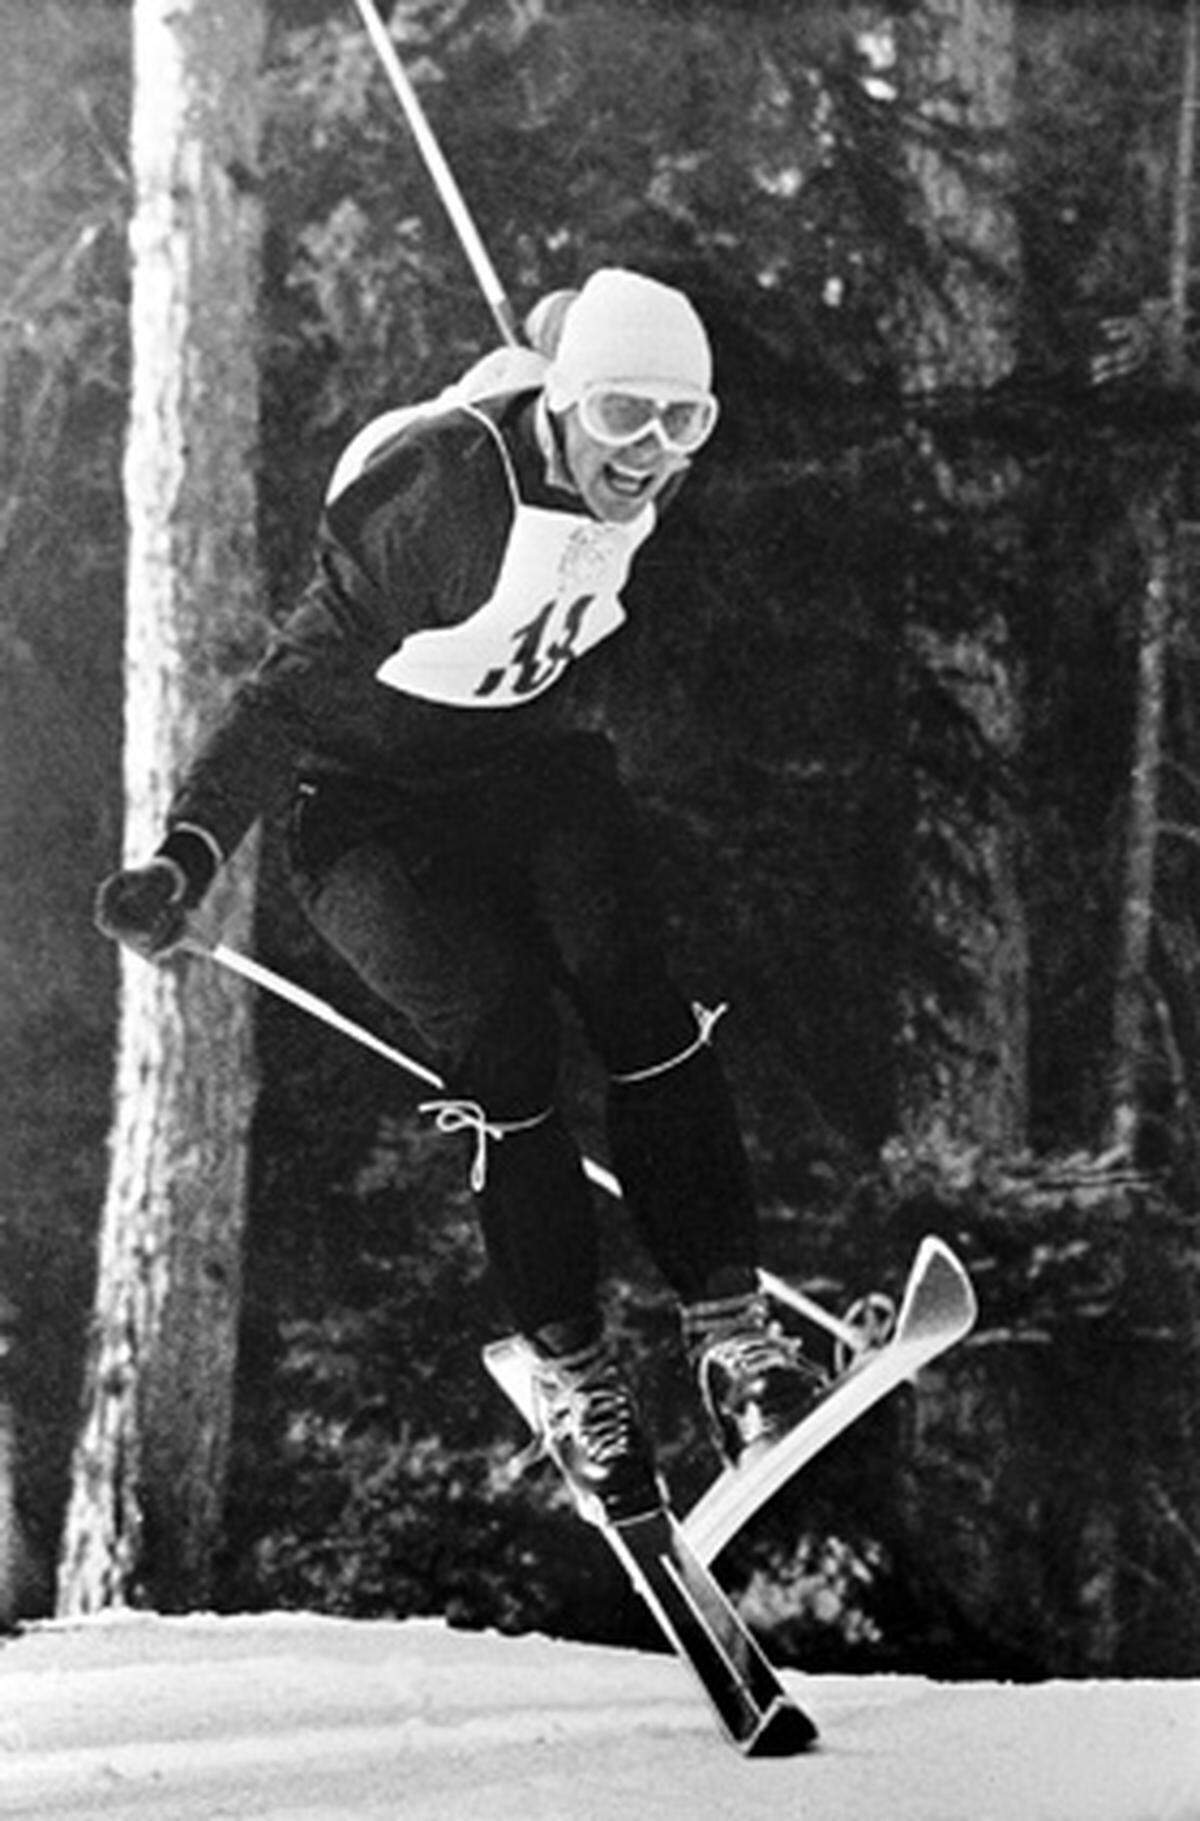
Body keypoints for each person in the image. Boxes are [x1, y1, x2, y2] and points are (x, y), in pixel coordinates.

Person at [95, 266, 824, 1523]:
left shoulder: (603, 420)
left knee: (643, 1003)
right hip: (368, 813)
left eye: (683, 424)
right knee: (503, 1040)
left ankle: (733, 1338)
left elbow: (563, 327)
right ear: (562, 408)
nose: (648, 455)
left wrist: (567, 325)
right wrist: (189, 855)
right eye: (621, 420)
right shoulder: (438, 502)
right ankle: (576, 1380)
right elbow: (279, 700)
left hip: (521, 765)